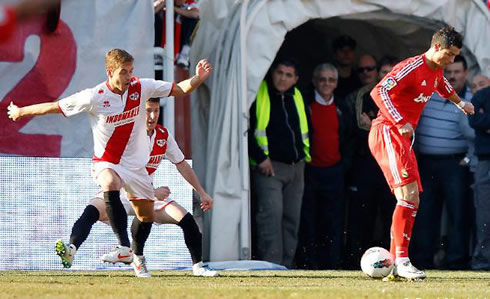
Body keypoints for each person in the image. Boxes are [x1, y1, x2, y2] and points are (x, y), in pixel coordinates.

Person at [7, 49, 212, 268]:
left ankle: (134, 254)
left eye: (131, 71)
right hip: (107, 162)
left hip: (136, 168)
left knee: (146, 217)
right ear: (110, 72)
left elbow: (178, 89)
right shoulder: (95, 96)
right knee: (109, 183)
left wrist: (198, 78)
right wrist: (21, 112)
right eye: (124, 72)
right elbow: (55, 107)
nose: (129, 77)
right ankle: (121, 247)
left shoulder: (141, 88)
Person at [54, 98, 218, 277]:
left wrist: (202, 193)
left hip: (147, 195)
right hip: (121, 193)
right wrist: (152, 192)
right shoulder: (125, 135)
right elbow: (112, 169)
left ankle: (197, 267)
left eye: (156, 110)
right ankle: (72, 248)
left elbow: (182, 164)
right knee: (91, 211)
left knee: (186, 220)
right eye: (148, 111)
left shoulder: (163, 136)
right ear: (139, 112)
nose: (153, 116)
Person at [367, 26, 474, 281]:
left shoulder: (436, 72)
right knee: (408, 195)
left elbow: (443, 85)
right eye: (449, 54)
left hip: (401, 138)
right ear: (436, 46)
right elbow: (378, 91)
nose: (451, 60)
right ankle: (402, 260)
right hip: (387, 132)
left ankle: (394, 260)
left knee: (411, 198)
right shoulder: (412, 66)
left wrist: (460, 103)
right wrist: (398, 119)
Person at [412, 55, 475, 270]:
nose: (453, 76)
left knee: (457, 214)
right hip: (427, 163)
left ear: (466, 73)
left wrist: (467, 159)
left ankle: (456, 261)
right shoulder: (430, 94)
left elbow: (477, 133)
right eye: (449, 72)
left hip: (455, 165)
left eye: (457, 72)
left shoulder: (471, 98)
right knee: (425, 213)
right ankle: (423, 260)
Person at [249, 57, 310, 268]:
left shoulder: (298, 96)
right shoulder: (258, 93)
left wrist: (304, 159)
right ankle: (271, 265)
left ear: (296, 79)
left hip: (296, 167)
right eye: (279, 73)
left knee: (292, 219)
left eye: (288, 75)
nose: (283, 78)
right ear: (272, 73)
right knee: (270, 219)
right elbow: (245, 131)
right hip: (269, 168)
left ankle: (287, 265)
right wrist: (260, 158)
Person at [295, 63, 353, 270]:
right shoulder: (306, 105)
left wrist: (343, 166)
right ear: (315, 81)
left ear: (336, 83)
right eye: (323, 79)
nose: (327, 84)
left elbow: (349, 139)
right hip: (310, 172)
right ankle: (309, 264)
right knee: (309, 221)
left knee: (334, 222)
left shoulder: (342, 107)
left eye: (331, 80)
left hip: (335, 172)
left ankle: (332, 263)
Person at [344, 55, 398, 269]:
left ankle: (393, 261)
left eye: (390, 72)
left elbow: (406, 130)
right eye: (383, 72)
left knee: (390, 216)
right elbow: (358, 125)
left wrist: (373, 124)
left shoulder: (404, 96)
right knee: (361, 217)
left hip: (391, 165)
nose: (387, 76)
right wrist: (382, 127)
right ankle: (355, 262)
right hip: (366, 165)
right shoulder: (365, 95)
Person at [469, 85, 490, 270]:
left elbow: (481, 121)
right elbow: (474, 120)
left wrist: (487, 120)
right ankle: (483, 259)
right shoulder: (482, 95)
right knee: (484, 213)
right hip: (486, 161)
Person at [332, 35, 361, 99]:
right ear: (335, 54)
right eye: (342, 50)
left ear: (354, 54)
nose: (346, 53)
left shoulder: (359, 79)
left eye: (350, 50)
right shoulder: (328, 80)